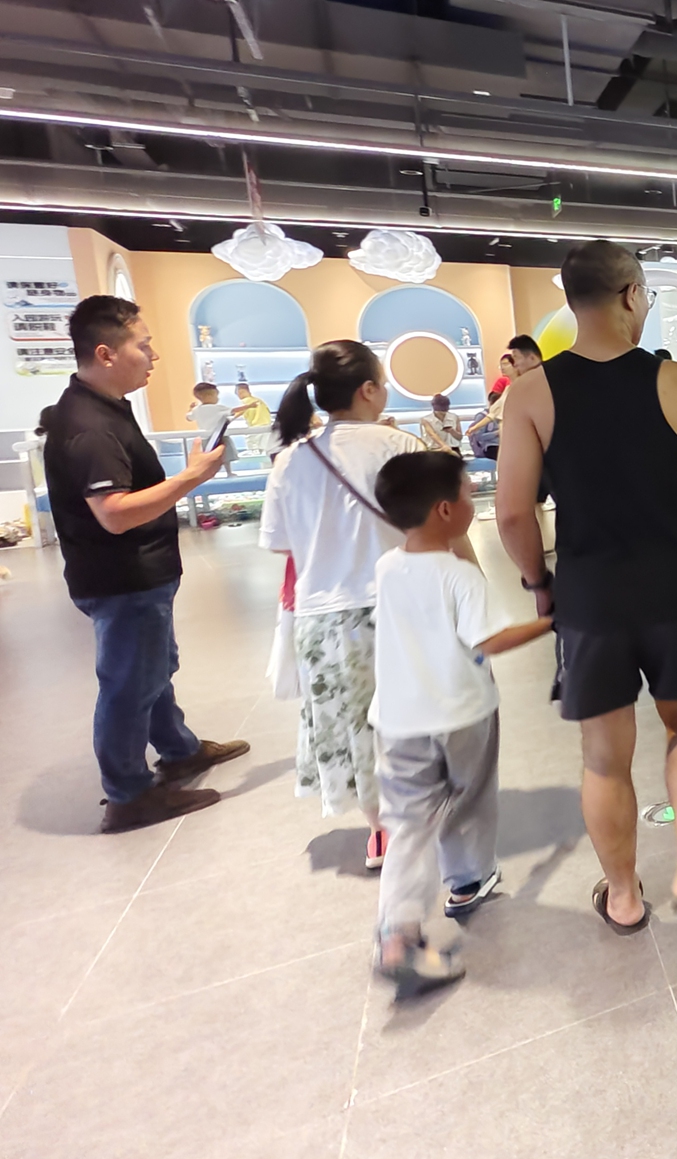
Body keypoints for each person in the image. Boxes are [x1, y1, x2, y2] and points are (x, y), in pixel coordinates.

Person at [497, 239, 677, 936]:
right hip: (674, 590)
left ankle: (623, 896)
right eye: (647, 295)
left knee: (603, 758)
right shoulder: (675, 380)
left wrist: (540, 584)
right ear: (630, 296)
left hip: (591, 599)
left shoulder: (530, 392)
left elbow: (511, 512)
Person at [42, 295, 248, 832]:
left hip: (140, 575)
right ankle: (128, 795)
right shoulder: (89, 424)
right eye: (145, 344)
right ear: (107, 353)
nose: (153, 355)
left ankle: (178, 750)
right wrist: (193, 477)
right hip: (121, 578)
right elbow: (112, 514)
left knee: (152, 669)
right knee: (130, 682)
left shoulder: (105, 407)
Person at [368, 450, 551, 995]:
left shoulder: (386, 566)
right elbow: (489, 640)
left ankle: (396, 935)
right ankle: (468, 880)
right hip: (462, 713)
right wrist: (550, 622)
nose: (476, 503)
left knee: (406, 824)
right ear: (445, 510)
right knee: (469, 794)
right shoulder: (458, 576)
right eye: (471, 495)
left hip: (398, 720)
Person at [260, 340, 440, 869]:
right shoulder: (398, 446)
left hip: (323, 617)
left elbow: (279, 542)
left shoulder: (291, 459)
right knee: (417, 719)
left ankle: (382, 831)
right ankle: (429, 817)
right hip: (399, 604)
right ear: (367, 390)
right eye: (382, 382)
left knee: (356, 728)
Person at [187, 383, 237, 464]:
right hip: (219, 436)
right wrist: (248, 406)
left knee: (211, 457)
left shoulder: (197, 409)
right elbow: (233, 411)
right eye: (216, 396)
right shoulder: (217, 408)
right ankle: (228, 471)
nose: (217, 398)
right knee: (224, 455)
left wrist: (190, 409)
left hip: (206, 437)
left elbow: (189, 417)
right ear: (208, 396)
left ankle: (223, 472)